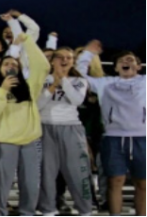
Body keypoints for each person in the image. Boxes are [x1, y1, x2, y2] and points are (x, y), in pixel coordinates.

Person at [0, 33, 50, 216]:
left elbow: (43, 66)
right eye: (6, 64)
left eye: (15, 64)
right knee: (1, 185)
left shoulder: (29, 87)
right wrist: (3, 90)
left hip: (30, 141)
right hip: (4, 142)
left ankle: (27, 213)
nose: (11, 66)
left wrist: (27, 42)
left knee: (30, 184)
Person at [77, 40, 145, 216]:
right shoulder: (105, 83)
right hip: (113, 138)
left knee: (143, 183)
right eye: (122, 61)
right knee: (115, 181)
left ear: (139, 66)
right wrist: (88, 54)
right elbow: (78, 75)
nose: (126, 63)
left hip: (142, 137)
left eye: (131, 60)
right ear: (115, 68)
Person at [33, 46, 94, 215]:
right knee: (46, 171)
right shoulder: (42, 79)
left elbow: (76, 100)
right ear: (52, 60)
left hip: (71, 128)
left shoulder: (79, 81)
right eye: (60, 57)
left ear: (73, 61)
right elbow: (37, 106)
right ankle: (48, 209)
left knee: (77, 171)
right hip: (45, 128)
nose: (64, 60)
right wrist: (53, 85)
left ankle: (85, 209)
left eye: (69, 57)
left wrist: (63, 79)